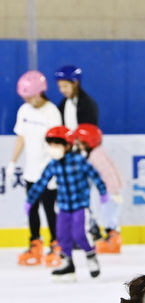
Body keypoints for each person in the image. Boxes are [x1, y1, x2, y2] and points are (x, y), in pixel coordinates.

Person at [25, 126, 107, 280]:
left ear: (68, 145)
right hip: (63, 207)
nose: (53, 149)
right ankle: (68, 265)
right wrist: (30, 200)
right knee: (62, 236)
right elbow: (41, 182)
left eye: (57, 145)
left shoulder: (78, 160)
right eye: (51, 145)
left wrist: (103, 192)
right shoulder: (53, 164)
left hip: (80, 206)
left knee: (80, 235)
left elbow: (94, 175)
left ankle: (91, 256)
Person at [9, 70, 62, 266]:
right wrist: (13, 161)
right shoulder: (24, 110)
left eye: (30, 97)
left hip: (49, 173)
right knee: (31, 208)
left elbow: (57, 143)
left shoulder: (52, 112)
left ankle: (56, 244)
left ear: (40, 92)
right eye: (25, 98)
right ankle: (35, 243)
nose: (28, 101)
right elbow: (21, 137)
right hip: (31, 172)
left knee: (50, 209)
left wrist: (52, 167)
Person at [73, 123, 124, 254]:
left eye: (79, 143)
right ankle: (112, 239)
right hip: (112, 190)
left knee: (109, 215)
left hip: (110, 191)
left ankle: (113, 242)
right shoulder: (96, 153)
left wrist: (113, 191)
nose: (77, 146)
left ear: (88, 142)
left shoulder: (95, 156)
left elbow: (108, 173)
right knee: (109, 215)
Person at [54, 64, 99, 129]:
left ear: (75, 83)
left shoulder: (88, 105)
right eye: (60, 86)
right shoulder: (64, 103)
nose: (62, 90)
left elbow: (89, 132)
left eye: (65, 86)